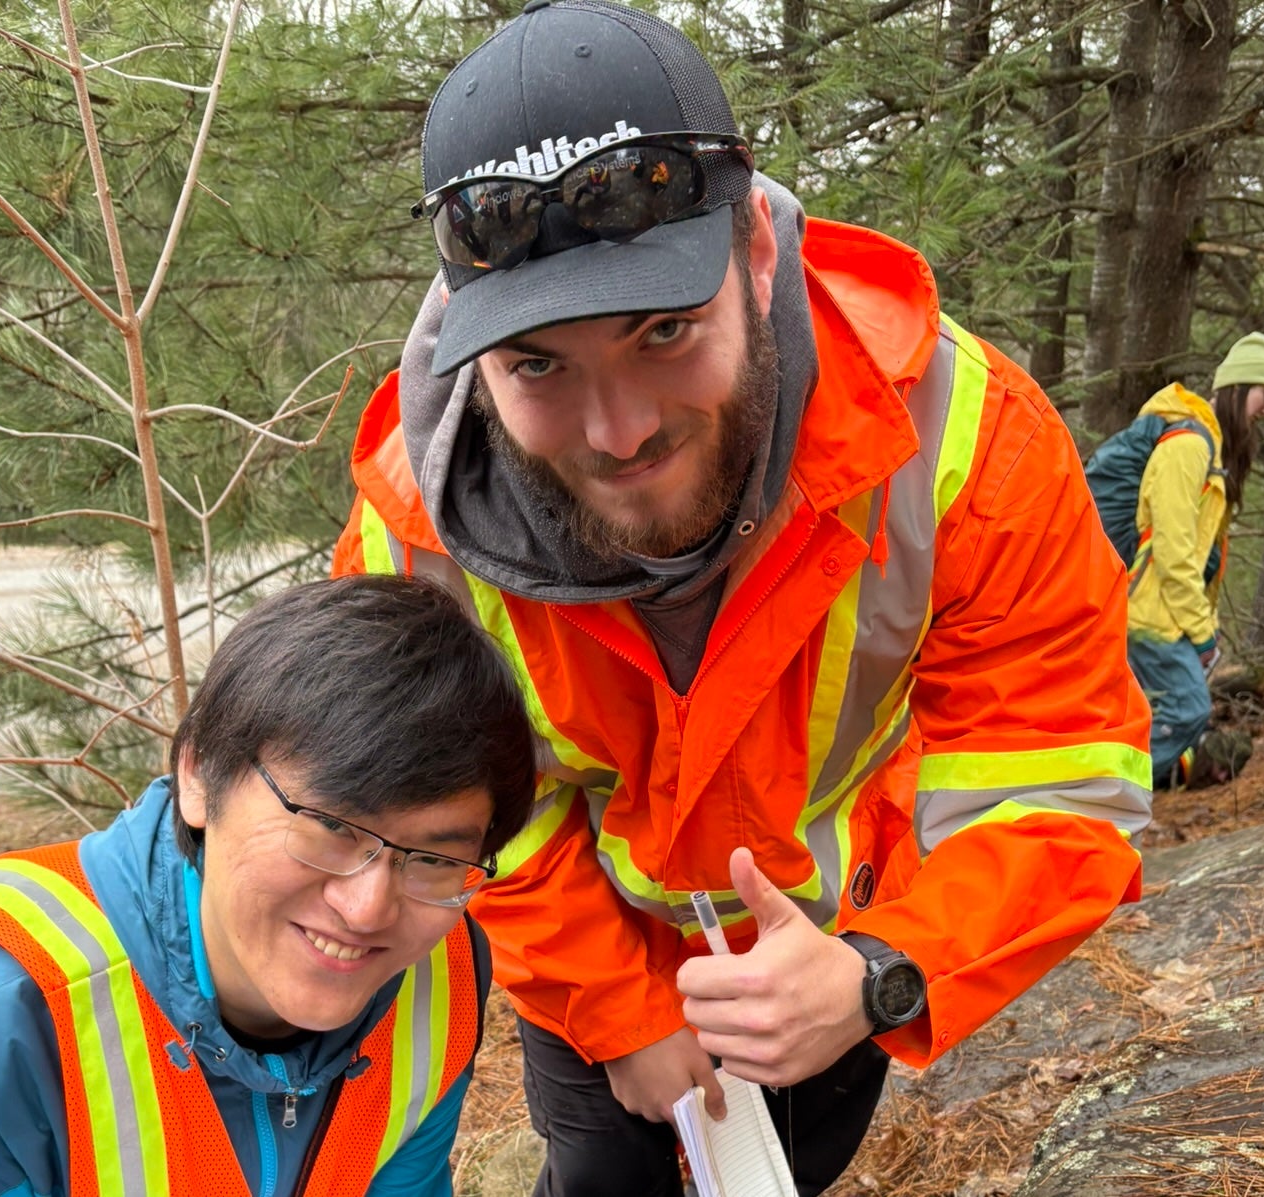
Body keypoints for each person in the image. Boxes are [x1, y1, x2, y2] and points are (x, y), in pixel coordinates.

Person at [334, 3, 1153, 1193]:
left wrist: (880, 971)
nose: (617, 433)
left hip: (834, 951)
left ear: (758, 253)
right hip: (587, 953)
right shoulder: (416, 531)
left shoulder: (956, 441)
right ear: (468, 337)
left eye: (664, 329)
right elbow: (459, 814)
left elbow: (1056, 778)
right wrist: (620, 1011)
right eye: (538, 366)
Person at [0, 576, 536, 1197]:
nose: (367, 908)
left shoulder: (440, 974)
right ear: (197, 774)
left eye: (433, 859)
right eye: (328, 826)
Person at [1121, 332, 1264, 789]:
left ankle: (1111, 801)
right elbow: (1173, 554)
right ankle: (1107, 798)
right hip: (1151, 613)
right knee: (1188, 708)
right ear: (1238, 387)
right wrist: (1203, 633)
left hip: (1166, 613)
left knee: (1154, 713)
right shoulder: (1188, 447)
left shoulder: (1210, 450)